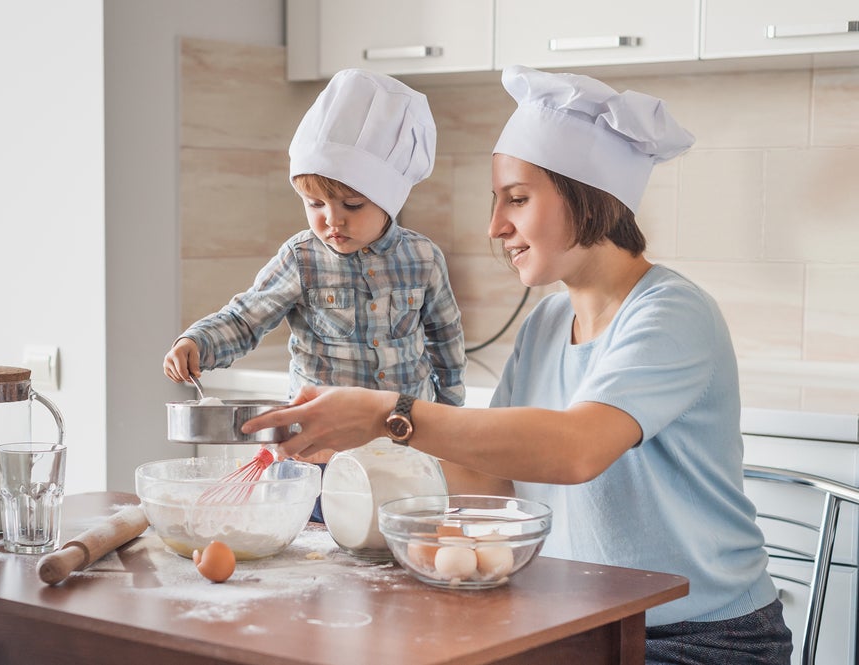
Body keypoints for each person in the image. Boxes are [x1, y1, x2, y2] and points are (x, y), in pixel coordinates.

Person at [244, 65, 793, 664]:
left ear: (590, 198)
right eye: (496, 200)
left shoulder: (671, 313)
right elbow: (491, 483)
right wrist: (356, 448)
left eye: (518, 199)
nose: (494, 226)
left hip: (703, 639)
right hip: (584, 620)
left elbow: (576, 449)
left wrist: (387, 414)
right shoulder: (549, 323)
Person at [163, 69, 467, 516]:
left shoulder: (423, 258)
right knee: (318, 557)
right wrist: (197, 342)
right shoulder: (302, 258)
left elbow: (447, 342)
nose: (331, 220)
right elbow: (247, 316)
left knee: (393, 555)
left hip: (400, 451)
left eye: (352, 205)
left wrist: (449, 420)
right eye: (315, 204)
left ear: (390, 198)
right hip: (317, 454)